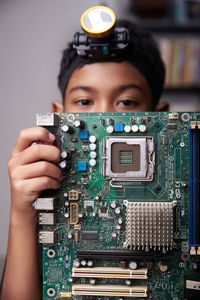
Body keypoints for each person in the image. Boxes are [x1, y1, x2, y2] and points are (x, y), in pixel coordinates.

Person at [0, 18, 169, 300]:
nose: (102, 118)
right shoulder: (48, 198)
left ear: (161, 118)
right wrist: (21, 212)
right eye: (84, 102)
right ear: (59, 114)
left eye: (126, 102)